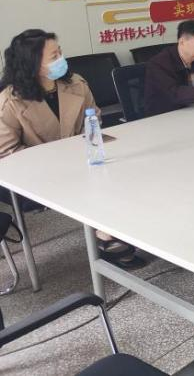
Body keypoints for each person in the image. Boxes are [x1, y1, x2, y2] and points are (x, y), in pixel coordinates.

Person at [0, 29, 145, 268]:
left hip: (80, 157)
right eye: (53, 56)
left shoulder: (76, 83)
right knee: (95, 181)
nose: (61, 59)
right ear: (32, 63)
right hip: (32, 172)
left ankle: (113, 231)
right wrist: (59, 157)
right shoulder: (10, 101)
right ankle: (106, 236)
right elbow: (7, 153)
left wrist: (88, 141)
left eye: (60, 52)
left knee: (126, 169)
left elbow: (94, 118)